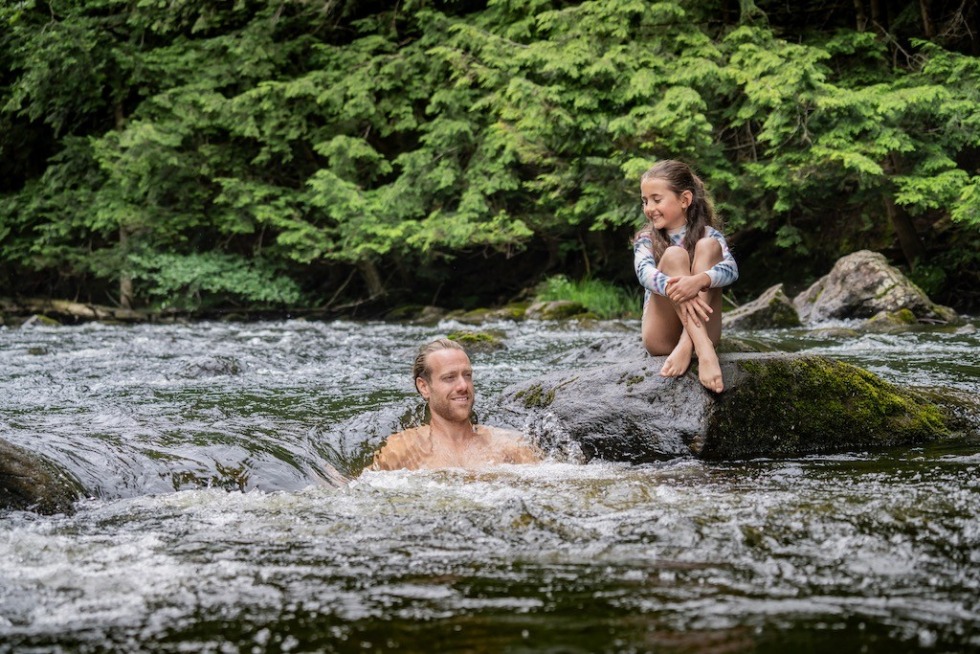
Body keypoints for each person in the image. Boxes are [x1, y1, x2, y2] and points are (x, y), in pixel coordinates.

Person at [633, 160, 738, 393]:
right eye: (645, 201)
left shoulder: (709, 234)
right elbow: (644, 273)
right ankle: (704, 350)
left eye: (656, 199)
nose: (649, 208)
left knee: (709, 247)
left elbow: (732, 269)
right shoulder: (645, 239)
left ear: (685, 200)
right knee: (674, 255)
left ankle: (688, 343)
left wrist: (699, 281)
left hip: (705, 330)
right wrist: (678, 286)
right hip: (661, 336)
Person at [368, 338, 541, 471]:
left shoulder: (510, 445)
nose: (463, 386)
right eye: (449, 378)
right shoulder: (402, 449)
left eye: (467, 375)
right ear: (424, 387)